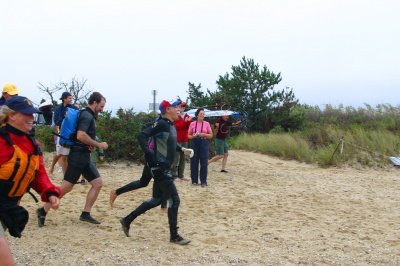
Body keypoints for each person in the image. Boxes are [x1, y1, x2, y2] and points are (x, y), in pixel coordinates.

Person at [119, 99, 193, 245]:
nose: (178, 109)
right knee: (174, 200)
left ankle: (127, 220)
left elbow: (170, 142)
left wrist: (182, 149)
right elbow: (141, 135)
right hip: (160, 167)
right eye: (175, 107)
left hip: (164, 167)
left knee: (157, 200)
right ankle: (174, 236)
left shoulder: (170, 125)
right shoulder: (161, 123)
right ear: (167, 110)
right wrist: (149, 154)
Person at [0, 96, 61, 265]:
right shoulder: (2, 141)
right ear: (12, 115)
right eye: (26, 114)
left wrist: (50, 193)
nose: (32, 118)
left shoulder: (32, 144)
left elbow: (39, 174)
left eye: (33, 114)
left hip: (8, 206)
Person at [37, 92, 108, 226]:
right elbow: (81, 135)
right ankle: (43, 210)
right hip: (78, 156)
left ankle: (85, 214)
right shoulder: (87, 116)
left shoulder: (87, 114)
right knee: (66, 187)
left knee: (97, 183)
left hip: (84, 156)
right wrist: (98, 144)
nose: (102, 109)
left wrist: (91, 145)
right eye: (101, 106)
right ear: (94, 102)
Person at [49, 92, 79, 175]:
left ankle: (66, 176)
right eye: (69, 98)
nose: (71, 99)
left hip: (71, 135)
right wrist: (63, 117)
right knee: (59, 154)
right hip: (61, 134)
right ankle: (52, 166)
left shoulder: (74, 109)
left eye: (71, 98)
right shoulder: (58, 109)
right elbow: (56, 122)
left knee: (66, 156)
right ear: (64, 99)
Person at [188, 108, 213, 187]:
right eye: (201, 113)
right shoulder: (192, 123)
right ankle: (194, 181)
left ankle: (203, 181)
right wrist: (193, 136)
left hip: (204, 142)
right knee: (194, 162)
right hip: (194, 142)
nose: (202, 115)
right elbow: (188, 135)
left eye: (203, 113)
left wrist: (204, 135)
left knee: (204, 162)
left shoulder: (207, 123)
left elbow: (211, 135)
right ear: (197, 114)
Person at [171, 101, 191, 181]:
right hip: (177, 139)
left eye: (184, 107)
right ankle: (173, 175)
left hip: (184, 139)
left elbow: (189, 126)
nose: (182, 108)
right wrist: (184, 121)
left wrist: (188, 121)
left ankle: (181, 175)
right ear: (178, 107)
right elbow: (177, 126)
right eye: (181, 106)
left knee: (183, 158)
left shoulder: (187, 116)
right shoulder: (175, 115)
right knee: (176, 158)